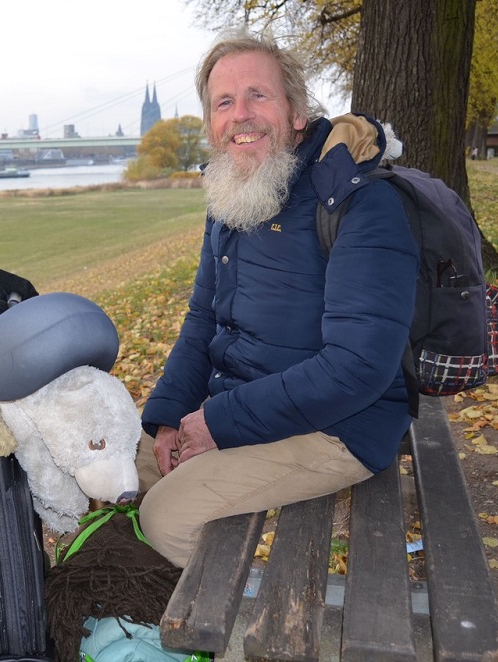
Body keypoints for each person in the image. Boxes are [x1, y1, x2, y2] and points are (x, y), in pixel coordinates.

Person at [135, 30, 420, 567]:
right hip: (243, 402)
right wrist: (170, 416)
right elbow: (202, 320)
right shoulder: (232, 196)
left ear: (296, 112)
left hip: (339, 426)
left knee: (166, 519)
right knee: (125, 473)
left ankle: (230, 636)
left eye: (257, 96)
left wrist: (217, 423)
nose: (240, 114)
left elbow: (358, 368)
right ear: (213, 124)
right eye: (224, 102)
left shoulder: (361, 203)